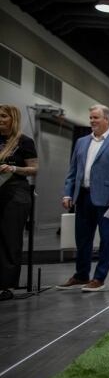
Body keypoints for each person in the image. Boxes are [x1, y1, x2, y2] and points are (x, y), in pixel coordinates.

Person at [57, 105, 109, 292]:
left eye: (96, 118)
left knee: (106, 239)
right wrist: (68, 193)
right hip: (82, 197)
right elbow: (72, 171)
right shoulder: (81, 142)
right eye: (90, 117)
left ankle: (99, 278)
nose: (92, 121)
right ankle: (81, 275)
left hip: (108, 199)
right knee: (82, 238)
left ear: (107, 119)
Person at [0, 105, 38, 301]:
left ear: (12, 118)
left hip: (15, 192)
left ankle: (7, 286)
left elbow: (34, 169)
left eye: (3, 116)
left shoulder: (24, 142)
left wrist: (13, 168)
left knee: (10, 238)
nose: (0, 119)